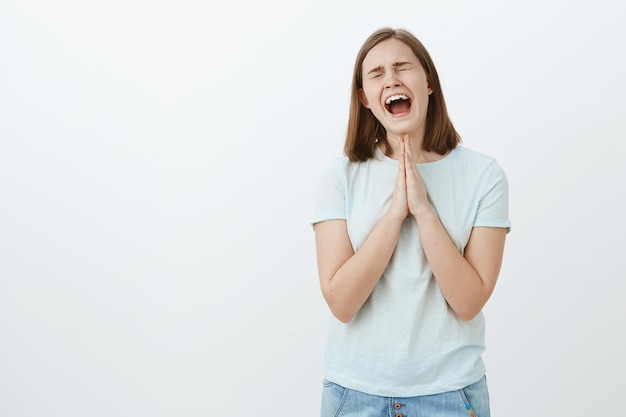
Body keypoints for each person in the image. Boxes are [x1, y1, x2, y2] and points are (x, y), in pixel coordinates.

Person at [311, 27, 511, 417]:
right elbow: (342, 302)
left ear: (429, 82)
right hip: (355, 395)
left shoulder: (484, 175)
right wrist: (394, 214)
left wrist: (423, 210)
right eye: (377, 73)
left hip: (451, 394)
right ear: (364, 98)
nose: (392, 79)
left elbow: (469, 303)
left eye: (403, 66)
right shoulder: (338, 178)